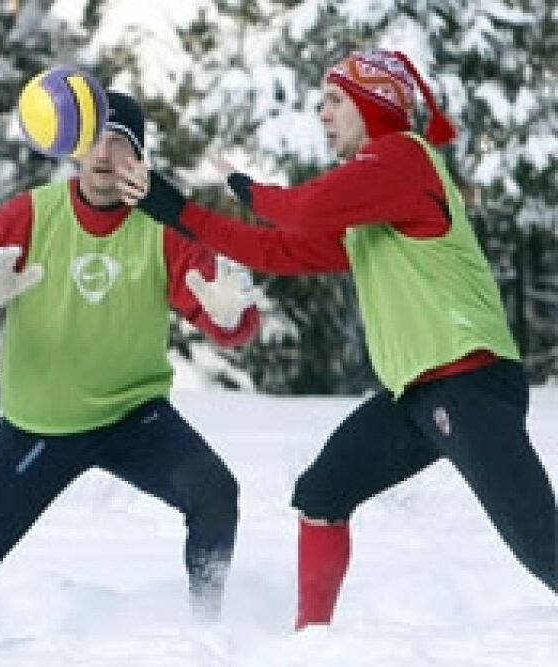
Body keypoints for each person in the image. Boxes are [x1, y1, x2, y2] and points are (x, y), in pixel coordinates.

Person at [135, 48, 557, 629]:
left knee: (540, 541)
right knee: (321, 495)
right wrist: (175, 210)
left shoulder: (403, 158)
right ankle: (313, 642)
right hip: (417, 393)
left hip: (468, 380)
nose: (322, 112)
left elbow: (304, 212)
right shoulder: (375, 208)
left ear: (373, 103)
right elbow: (279, 250)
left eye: (334, 100)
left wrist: (255, 194)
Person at [0, 90, 261, 627]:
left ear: (141, 159)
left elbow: (230, 325)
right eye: (94, 140)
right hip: (39, 426)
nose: (105, 155)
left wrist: (230, 315)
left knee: (216, 494)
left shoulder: (163, 227)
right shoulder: (29, 216)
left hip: (135, 418)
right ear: (74, 148)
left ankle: (208, 631)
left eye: (121, 144)